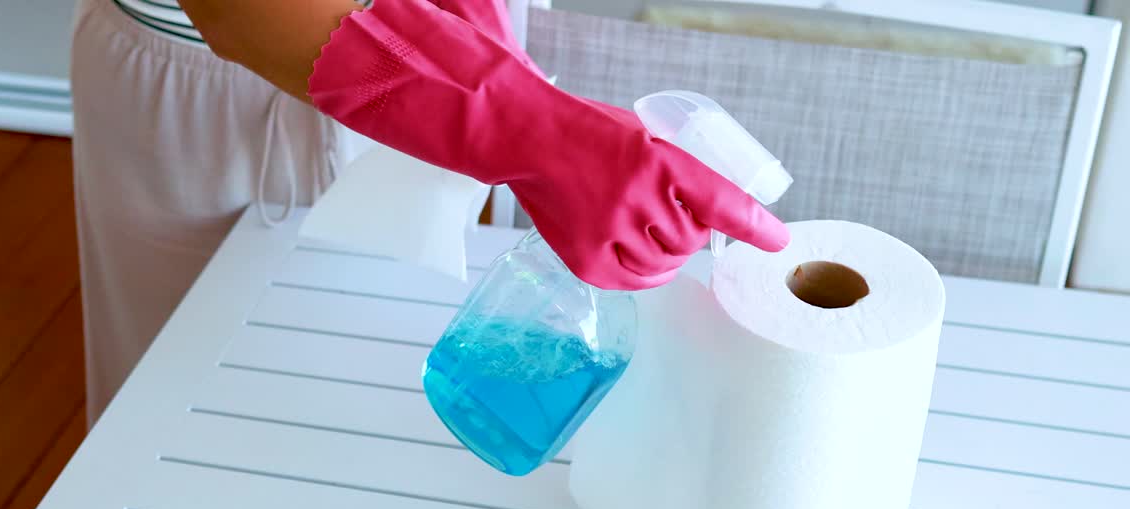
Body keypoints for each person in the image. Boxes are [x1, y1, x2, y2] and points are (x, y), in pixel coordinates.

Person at [71, 0, 789, 424]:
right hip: (231, 90)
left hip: (453, 59)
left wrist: (485, 60)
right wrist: (537, 129)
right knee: (186, 415)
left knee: (374, 408)